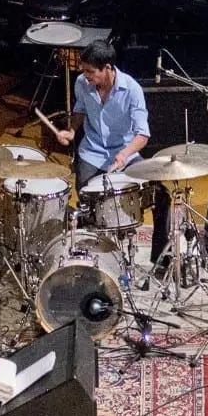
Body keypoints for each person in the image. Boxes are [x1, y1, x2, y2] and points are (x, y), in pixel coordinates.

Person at [52, 40, 171, 264]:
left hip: (124, 151)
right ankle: (96, 258)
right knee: (88, 201)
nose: (84, 74)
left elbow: (142, 135)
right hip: (92, 150)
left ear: (107, 68)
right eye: (83, 70)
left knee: (161, 195)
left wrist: (124, 154)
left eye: (90, 71)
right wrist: (71, 130)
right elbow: (79, 110)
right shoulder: (81, 83)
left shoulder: (132, 90)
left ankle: (160, 254)